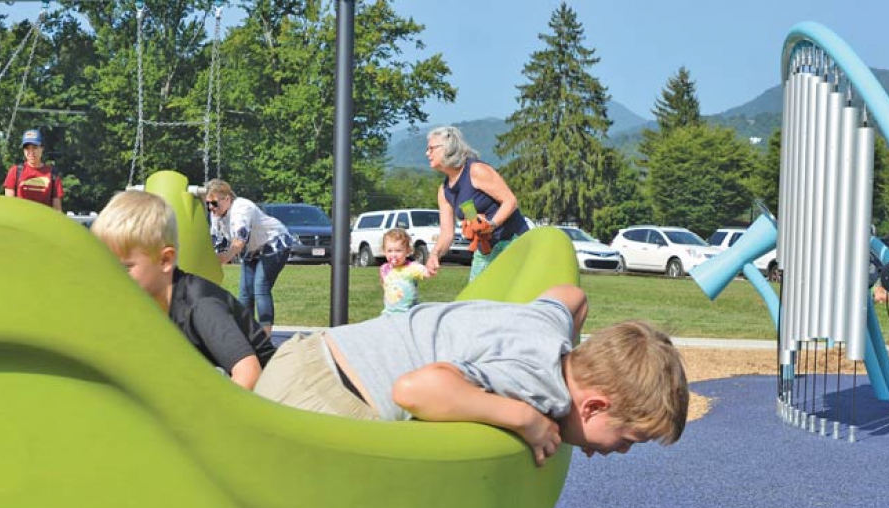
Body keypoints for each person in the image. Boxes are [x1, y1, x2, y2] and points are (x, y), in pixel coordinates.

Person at [253, 284, 690, 466]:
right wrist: (526, 420)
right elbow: (415, 389)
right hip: (327, 405)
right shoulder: (542, 387)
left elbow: (572, 296)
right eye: (627, 439)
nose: (622, 452)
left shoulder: (550, 332)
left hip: (305, 355)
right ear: (593, 405)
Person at [92, 190, 275, 390]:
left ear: (165, 260)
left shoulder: (200, 306)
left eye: (124, 268)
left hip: (280, 387)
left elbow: (249, 374)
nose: (112, 278)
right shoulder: (147, 302)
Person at [425, 125, 529, 281]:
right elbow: (447, 234)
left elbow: (510, 201)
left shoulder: (476, 170)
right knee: (475, 300)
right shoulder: (444, 190)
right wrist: (434, 254)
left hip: (513, 242)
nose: (427, 153)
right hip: (485, 251)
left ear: (448, 148)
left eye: (431, 148)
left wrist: (491, 225)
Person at [203, 178, 296, 334]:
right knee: (245, 292)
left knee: (260, 287)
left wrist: (224, 258)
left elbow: (239, 242)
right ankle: (247, 333)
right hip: (254, 248)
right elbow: (216, 240)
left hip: (275, 243)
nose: (210, 208)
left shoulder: (242, 208)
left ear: (227, 198)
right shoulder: (216, 213)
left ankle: (265, 336)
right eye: (208, 203)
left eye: (213, 203)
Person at [3, 129, 64, 211]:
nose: (31, 152)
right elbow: (9, 206)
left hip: (43, 222)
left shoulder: (52, 174)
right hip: (20, 222)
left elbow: (57, 210)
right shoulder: (15, 171)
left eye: (35, 147)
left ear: (42, 148)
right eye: (27, 148)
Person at [379, 227, 432, 315]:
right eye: (389, 251)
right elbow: (384, 283)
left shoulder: (412, 267)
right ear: (384, 251)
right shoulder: (384, 269)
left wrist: (431, 269)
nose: (394, 254)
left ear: (408, 251)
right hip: (388, 313)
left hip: (408, 313)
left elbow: (427, 273)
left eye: (398, 251)